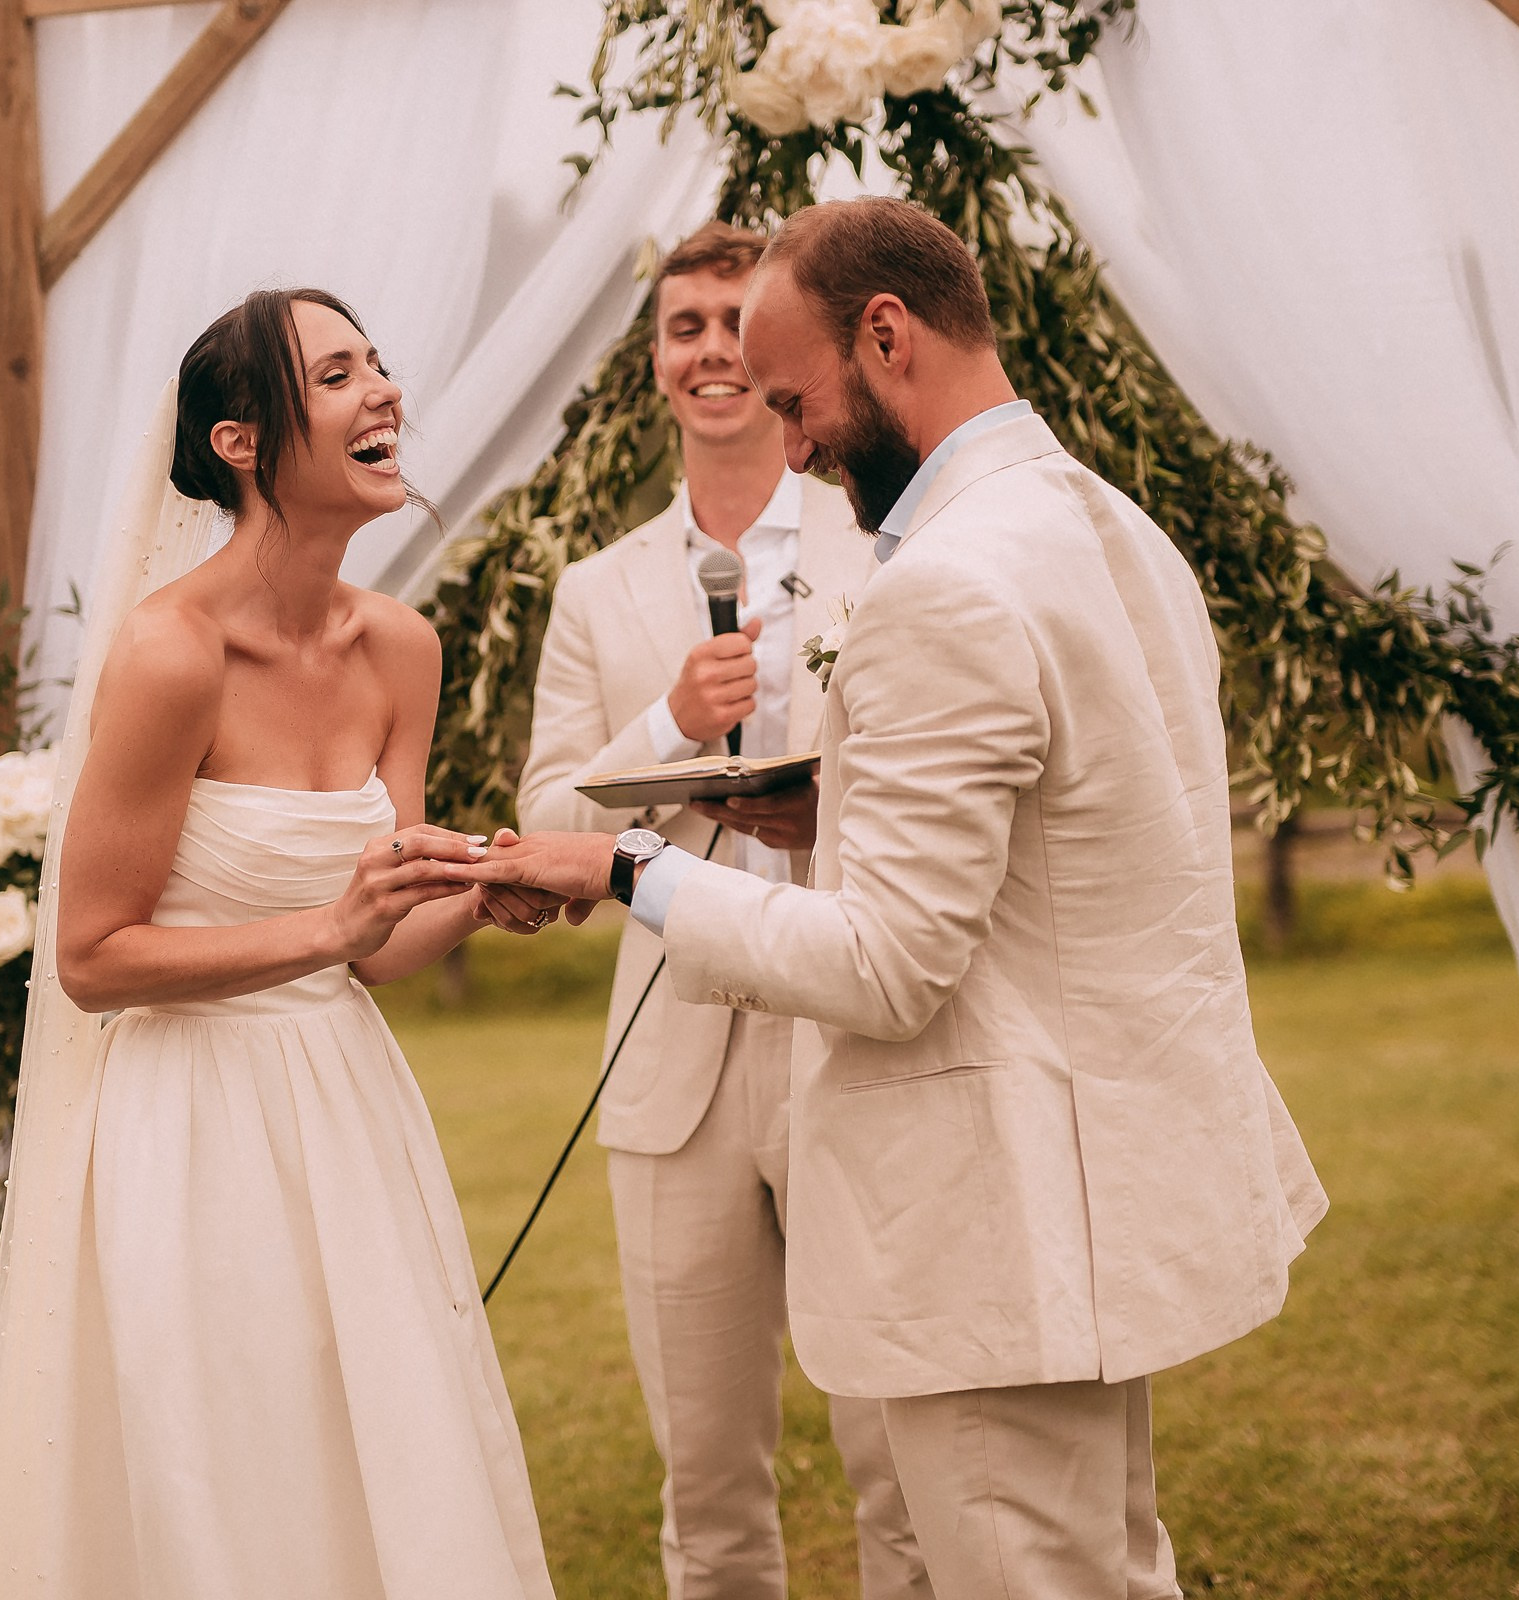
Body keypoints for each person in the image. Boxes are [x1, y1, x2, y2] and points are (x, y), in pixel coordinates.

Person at [463, 199, 1329, 1599]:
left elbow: (888, 968)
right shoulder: (1110, 526)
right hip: (1092, 1192)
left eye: (798, 400)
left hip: (995, 1217)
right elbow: (1077, 839)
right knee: (1110, 1569)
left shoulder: (943, 587)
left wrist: (627, 864)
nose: (789, 439)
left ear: (888, 335)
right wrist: (834, 810)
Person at [0, 288, 564, 1600]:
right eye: (340, 373)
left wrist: (479, 891)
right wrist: (334, 923)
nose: (384, 391)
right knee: (234, 1463)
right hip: (191, 1122)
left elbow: (379, 951)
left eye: (380, 365)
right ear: (242, 443)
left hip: (347, 1109)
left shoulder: (402, 648)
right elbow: (92, 957)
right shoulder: (173, 654)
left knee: (384, 1443)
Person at [516, 222, 924, 1600]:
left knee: (899, 1464)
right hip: (671, 1063)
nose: (710, 351)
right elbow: (545, 833)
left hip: (854, 1035)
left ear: (777, 352)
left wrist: (837, 808)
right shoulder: (597, 590)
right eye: (682, 327)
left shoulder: (881, 540)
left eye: (731, 325)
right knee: (705, 1488)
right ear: (655, 365)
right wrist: (666, 722)